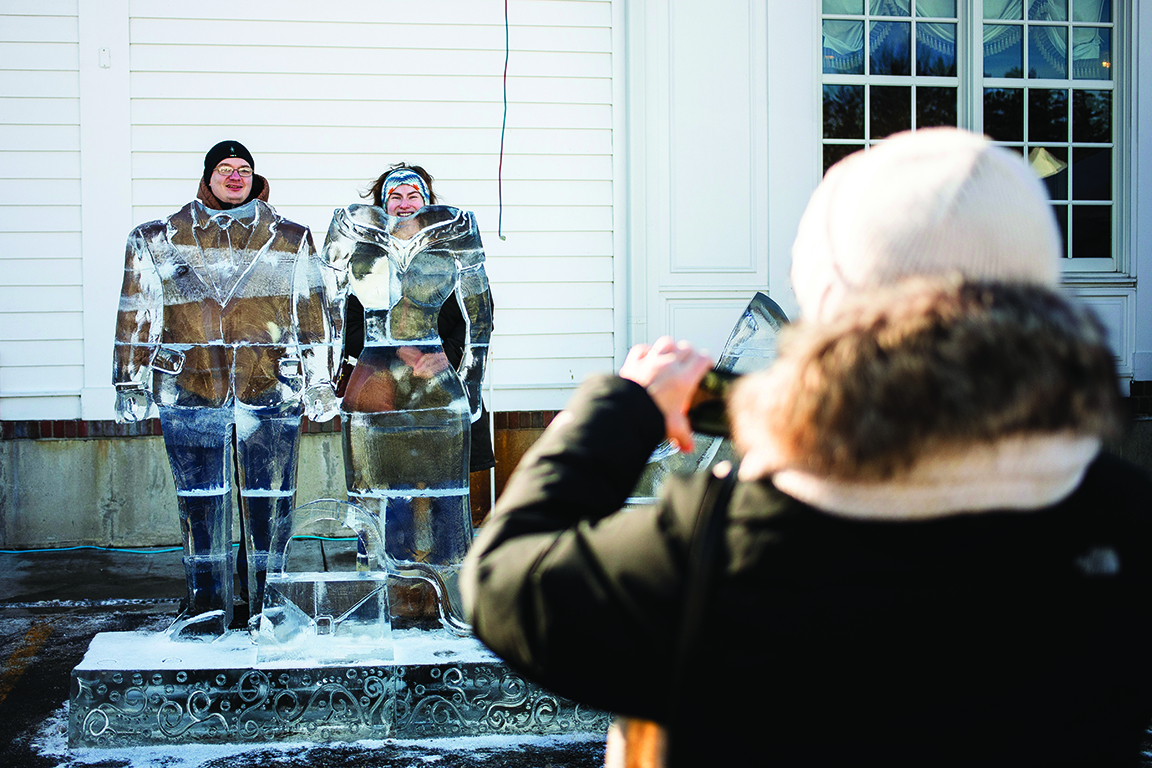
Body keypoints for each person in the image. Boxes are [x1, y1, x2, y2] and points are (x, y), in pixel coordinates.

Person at [461, 128, 1152, 766]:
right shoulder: (1123, 520)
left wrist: (622, 406)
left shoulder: (719, 543)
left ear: (827, 299)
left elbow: (503, 581)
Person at [113, 140, 339, 638]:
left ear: (254, 179)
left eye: (243, 169)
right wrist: (128, 379)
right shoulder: (156, 238)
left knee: (271, 501)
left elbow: (314, 311)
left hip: (270, 385)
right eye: (224, 169)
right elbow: (137, 310)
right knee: (200, 503)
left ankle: (270, 605)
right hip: (189, 387)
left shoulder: (291, 238)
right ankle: (205, 607)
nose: (235, 177)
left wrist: (320, 379)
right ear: (207, 177)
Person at [323, 164, 494, 623]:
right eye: (393, 196)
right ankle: (387, 598)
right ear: (381, 204)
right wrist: (332, 376)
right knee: (382, 492)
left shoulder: (451, 241)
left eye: (412, 195)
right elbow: (329, 313)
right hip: (377, 383)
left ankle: (450, 599)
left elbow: (478, 315)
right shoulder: (360, 248)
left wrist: (464, 371)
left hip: (438, 383)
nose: (404, 203)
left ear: (426, 200)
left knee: (445, 496)